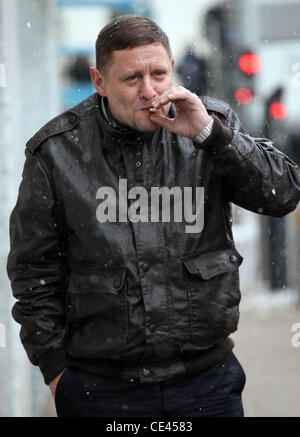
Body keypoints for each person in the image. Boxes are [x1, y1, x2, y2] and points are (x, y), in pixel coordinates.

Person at [7, 15, 300, 418]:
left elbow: (281, 195)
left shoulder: (209, 126)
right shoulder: (56, 153)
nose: (149, 91)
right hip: (100, 388)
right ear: (99, 81)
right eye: (131, 79)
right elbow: (32, 273)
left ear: (173, 68)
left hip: (206, 383)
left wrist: (210, 136)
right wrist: (57, 372)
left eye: (159, 73)